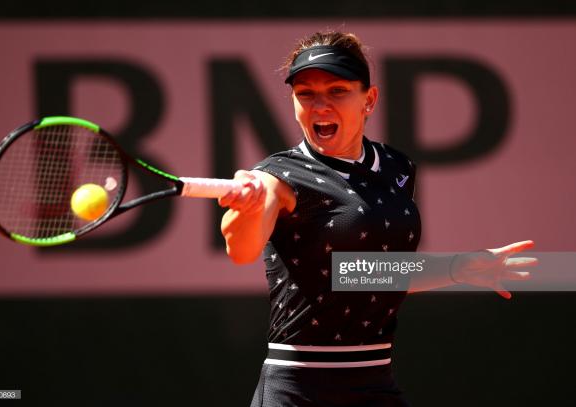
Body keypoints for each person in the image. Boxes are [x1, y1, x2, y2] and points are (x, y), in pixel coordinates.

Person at [218, 30, 536, 407]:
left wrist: (459, 267)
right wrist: (250, 205)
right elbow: (241, 248)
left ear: (369, 100)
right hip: (296, 388)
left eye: (337, 91)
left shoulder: (396, 167)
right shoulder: (278, 176)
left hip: (375, 383)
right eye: (305, 94)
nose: (319, 105)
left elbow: (364, 273)